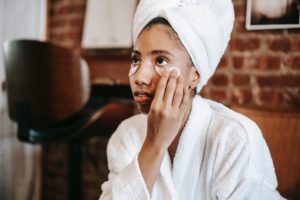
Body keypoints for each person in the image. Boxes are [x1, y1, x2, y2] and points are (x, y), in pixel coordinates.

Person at [99, 0, 284, 199]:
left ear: (195, 75)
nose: (140, 77)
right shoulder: (127, 135)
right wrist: (154, 145)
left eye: (161, 60)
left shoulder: (234, 139)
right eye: (136, 59)